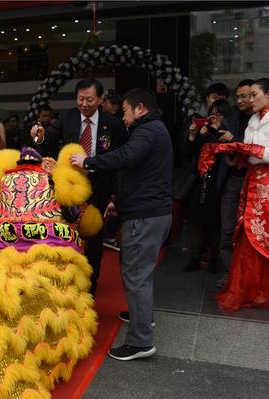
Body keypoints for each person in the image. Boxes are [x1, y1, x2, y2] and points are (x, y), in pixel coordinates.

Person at [70, 88, 172, 361]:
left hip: (145, 214)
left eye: (125, 111)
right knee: (141, 272)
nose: (123, 118)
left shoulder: (147, 131)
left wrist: (88, 161)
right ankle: (142, 317)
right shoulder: (155, 129)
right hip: (150, 210)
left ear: (139, 108)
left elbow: (124, 157)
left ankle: (140, 341)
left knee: (136, 275)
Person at [31, 78, 126, 292]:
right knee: (66, 233)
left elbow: (119, 160)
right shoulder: (67, 117)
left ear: (100, 99)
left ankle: (90, 284)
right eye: (80, 99)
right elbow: (49, 138)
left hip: (98, 187)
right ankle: (67, 281)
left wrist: (113, 195)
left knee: (93, 236)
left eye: (89, 99)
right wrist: (39, 137)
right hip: (70, 188)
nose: (84, 104)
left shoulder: (112, 124)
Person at [216, 77, 269, 311]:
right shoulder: (254, 120)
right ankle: (247, 289)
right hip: (252, 180)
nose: (250, 100)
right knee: (246, 236)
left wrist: (248, 149)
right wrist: (237, 154)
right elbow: (250, 154)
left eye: (254, 95)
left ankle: (263, 293)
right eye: (248, 95)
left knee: (264, 238)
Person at [183, 99, 233, 273]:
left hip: (218, 183)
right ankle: (194, 258)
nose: (214, 117)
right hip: (200, 181)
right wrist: (192, 134)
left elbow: (228, 155)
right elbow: (188, 154)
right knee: (196, 222)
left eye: (218, 114)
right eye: (212, 113)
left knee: (215, 223)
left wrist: (217, 130)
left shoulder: (227, 133)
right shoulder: (203, 133)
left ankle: (213, 259)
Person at [214, 80, 254, 285]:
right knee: (227, 228)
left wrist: (235, 139)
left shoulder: (260, 120)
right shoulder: (231, 117)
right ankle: (229, 273)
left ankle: (246, 275)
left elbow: (258, 146)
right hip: (230, 179)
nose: (239, 100)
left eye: (244, 96)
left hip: (253, 181)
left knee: (248, 231)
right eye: (237, 96)